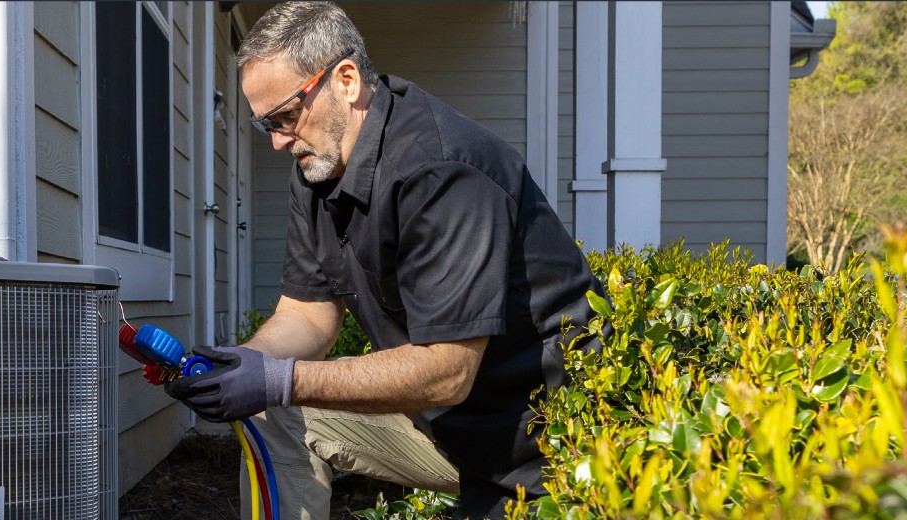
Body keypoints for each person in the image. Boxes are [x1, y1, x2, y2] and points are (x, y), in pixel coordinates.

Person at [162, 2, 605, 518]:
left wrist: (280, 379)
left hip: (541, 445)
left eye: (285, 116)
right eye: (266, 126)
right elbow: (307, 314)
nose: (279, 141)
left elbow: (447, 371)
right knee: (272, 411)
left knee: (279, 391)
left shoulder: (441, 171)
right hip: (441, 426)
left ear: (346, 81)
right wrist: (245, 365)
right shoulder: (316, 169)